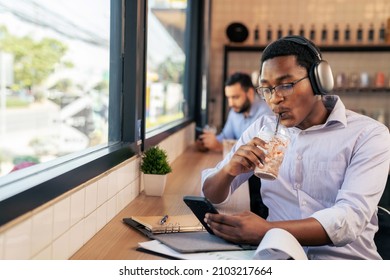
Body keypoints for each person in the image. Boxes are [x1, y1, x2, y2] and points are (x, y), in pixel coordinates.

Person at [201, 35, 390, 259]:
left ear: (319, 81)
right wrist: (228, 171)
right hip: (277, 259)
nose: (275, 99)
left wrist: (267, 230)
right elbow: (211, 193)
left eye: (286, 85)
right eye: (267, 89)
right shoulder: (263, 128)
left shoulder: (368, 134)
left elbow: (349, 219)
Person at [196, 72, 272, 152]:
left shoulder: (266, 114)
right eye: (228, 98)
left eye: (235, 97)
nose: (230, 104)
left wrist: (220, 146)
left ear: (250, 93)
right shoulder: (235, 111)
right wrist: (208, 143)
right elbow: (226, 137)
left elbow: (259, 149)